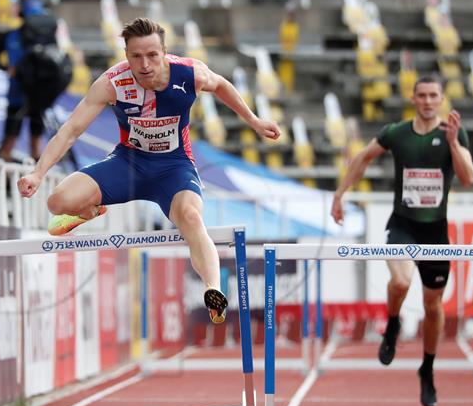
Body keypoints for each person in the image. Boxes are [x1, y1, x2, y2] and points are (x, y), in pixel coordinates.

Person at [17, 17, 280, 323]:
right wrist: (38, 173)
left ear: (164, 52)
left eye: (152, 55)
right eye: (136, 56)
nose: (144, 65)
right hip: (129, 164)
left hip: (174, 168)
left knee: (192, 218)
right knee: (57, 202)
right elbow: (71, 130)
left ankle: (213, 290)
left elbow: (220, 85)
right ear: (126, 55)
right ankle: (89, 210)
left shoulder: (188, 72)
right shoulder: (112, 83)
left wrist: (254, 120)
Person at [331, 76, 473, 406]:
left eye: (433, 95)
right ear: (413, 98)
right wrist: (340, 193)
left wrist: (454, 143)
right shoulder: (397, 132)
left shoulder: (452, 132)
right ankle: (393, 324)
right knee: (400, 280)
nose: (427, 101)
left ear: (441, 99)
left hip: (435, 230)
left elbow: (467, 178)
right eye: (421, 95)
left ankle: (427, 370)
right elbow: (364, 157)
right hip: (402, 225)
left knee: (433, 306)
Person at [0, 0, 71, 161]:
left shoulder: (23, 37)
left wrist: (10, 69)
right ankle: (18, 163)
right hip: (29, 90)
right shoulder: (20, 37)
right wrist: (10, 69)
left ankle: (25, 164)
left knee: (24, 132)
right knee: (19, 133)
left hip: (30, 90)